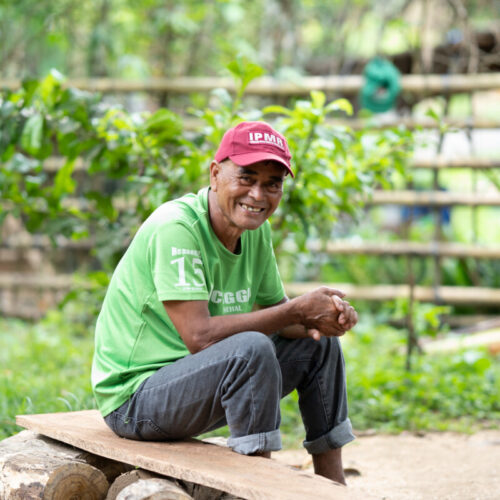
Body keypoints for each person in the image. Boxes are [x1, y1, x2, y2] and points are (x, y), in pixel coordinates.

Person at [91, 121, 358, 485]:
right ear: (215, 174)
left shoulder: (254, 230)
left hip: (198, 383)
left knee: (318, 344)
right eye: (246, 178)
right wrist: (296, 309)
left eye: (272, 184)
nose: (258, 195)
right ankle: (255, 487)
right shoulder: (177, 228)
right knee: (251, 349)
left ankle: (334, 487)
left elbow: (278, 317)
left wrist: (322, 318)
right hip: (136, 399)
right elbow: (199, 337)